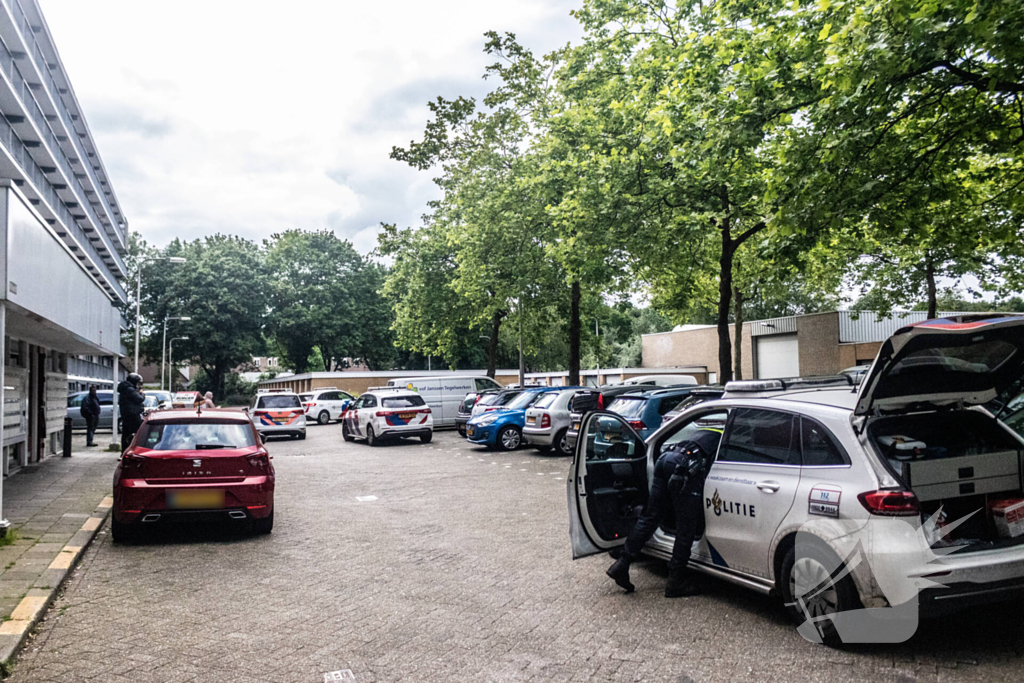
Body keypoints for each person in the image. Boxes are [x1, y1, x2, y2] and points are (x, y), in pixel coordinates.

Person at [606, 427, 721, 598]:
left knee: (650, 517)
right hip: (686, 467)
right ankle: (675, 582)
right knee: (686, 528)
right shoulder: (726, 439)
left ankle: (622, 563)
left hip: (666, 458)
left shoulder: (708, 432)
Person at [117, 373, 146, 452]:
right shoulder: (130, 389)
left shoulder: (125, 388)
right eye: (138, 383)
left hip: (127, 414)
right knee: (137, 433)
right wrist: (142, 394)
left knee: (126, 433)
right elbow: (139, 399)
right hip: (133, 415)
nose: (138, 385)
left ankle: (124, 451)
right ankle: (134, 450)